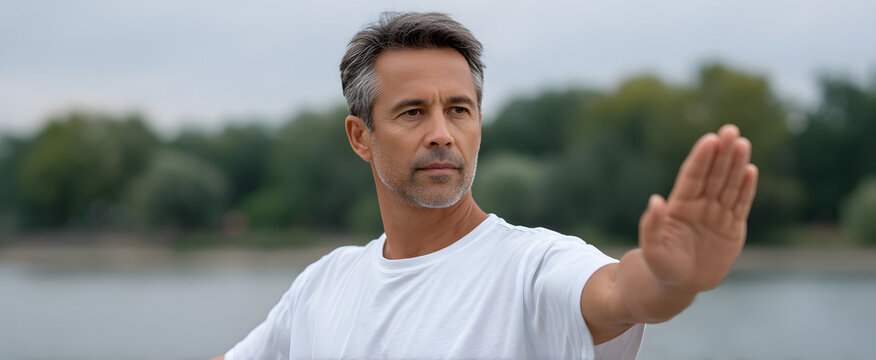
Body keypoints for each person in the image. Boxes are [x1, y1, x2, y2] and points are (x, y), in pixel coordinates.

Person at [213, 11, 758, 360]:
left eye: (458, 110)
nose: (442, 134)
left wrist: (673, 282)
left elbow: (619, 294)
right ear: (361, 136)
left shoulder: (533, 267)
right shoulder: (324, 283)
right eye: (411, 112)